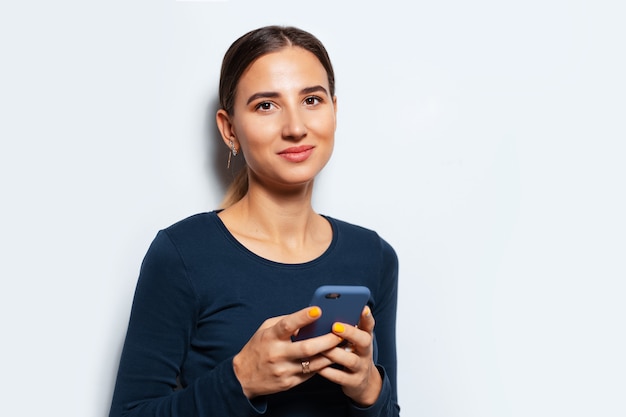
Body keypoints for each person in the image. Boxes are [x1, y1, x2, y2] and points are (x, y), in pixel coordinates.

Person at [108, 25, 400, 417]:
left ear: (335, 109)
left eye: (312, 99)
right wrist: (240, 379)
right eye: (266, 105)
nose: (296, 127)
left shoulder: (374, 256)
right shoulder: (183, 254)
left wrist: (369, 390)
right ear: (230, 129)